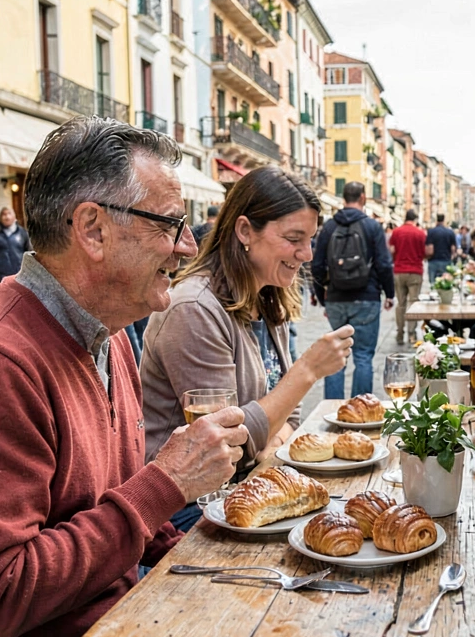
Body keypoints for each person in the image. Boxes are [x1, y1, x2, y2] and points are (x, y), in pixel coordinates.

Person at [0, 117, 325, 637]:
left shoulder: (108, 335)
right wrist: (167, 484)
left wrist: (212, 561)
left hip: (86, 615)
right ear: (93, 229)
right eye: (170, 224)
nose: (187, 245)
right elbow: (1, 599)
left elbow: (111, 507)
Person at [141, 165, 353, 531]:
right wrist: (307, 371)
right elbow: (226, 448)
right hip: (186, 510)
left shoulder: (267, 298)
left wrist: (269, 447)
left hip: (250, 490)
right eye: (294, 238)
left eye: (310, 240)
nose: (306, 254)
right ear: (244, 231)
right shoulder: (194, 309)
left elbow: (289, 416)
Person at [311, 181, 394, 398]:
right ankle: (362, 408)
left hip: (336, 298)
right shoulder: (372, 226)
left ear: (343, 198)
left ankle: (331, 409)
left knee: (336, 356)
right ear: (363, 197)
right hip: (367, 297)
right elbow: (384, 264)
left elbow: (316, 266)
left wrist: (322, 298)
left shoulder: (329, 227)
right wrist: (389, 294)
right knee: (363, 356)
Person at [389, 208, 427, 344]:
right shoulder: (420, 233)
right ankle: (412, 334)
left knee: (401, 304)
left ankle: (400, 333)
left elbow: (392, 250)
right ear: (415, 219)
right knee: (413, 303)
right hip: (415, 271)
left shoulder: (396, 232)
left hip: (399, 270)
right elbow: (424, 253)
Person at [0, 206, 30, 286]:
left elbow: (29, 253)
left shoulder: (22, 233)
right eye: (4, 214)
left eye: (9, 214)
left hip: (18, 276)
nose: (7, 217)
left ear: (14, 216)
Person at [424, 213, 455, 282]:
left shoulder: (431, 232)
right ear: (444, 220)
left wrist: (426, 258)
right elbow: (453, 249)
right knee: (445, 283)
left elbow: (430, 250)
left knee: (433, 284)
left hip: (433, 261)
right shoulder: (450, 232)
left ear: (436, 220)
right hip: (446, 261)